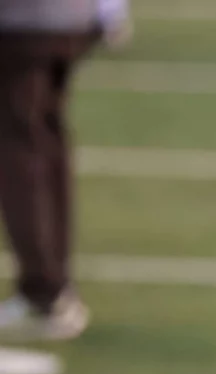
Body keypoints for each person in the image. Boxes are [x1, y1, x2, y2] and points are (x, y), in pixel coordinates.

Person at [0, 0, 130, 341]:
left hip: (23, 19)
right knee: (43, 135)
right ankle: (52, 286)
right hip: (74, 16)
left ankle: (44, 291)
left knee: (21, 143)